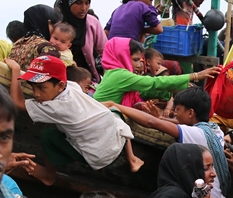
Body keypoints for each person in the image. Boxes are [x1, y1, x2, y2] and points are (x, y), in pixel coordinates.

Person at [113, 89, 233, 198]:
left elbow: (151, 123)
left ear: (190, 113)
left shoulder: (195, 133)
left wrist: (115, 106)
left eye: (177, 109)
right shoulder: (213, 129)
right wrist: (162, 118)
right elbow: (169, 122)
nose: (174, 113)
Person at [8, 54, 144, 173]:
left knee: (47, 134)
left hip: (102, 157)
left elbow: (18, 103)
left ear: (60, 86)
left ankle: (48, 175)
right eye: (33, 87)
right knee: (113, 111)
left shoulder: (56, 107)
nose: (36, 94)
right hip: (119, 141)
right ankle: (132, 158)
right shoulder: (71, 86)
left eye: (42, 88)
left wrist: (15, 70)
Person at [94, 37, 218, 109]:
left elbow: (149, 89)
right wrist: (195, 75)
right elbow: (154, 82)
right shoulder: (120, 75)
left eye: (140, 60)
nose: (139, 65)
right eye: (135, 60)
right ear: (122, 57)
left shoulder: (113, 73)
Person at [54, 0, 107, 82]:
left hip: (88, 79)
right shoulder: (57, 22)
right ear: (68, 2)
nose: (83, 8)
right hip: (60, 78)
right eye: (79, 3)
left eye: (87, 3)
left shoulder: (92, 23)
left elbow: (105, 51)